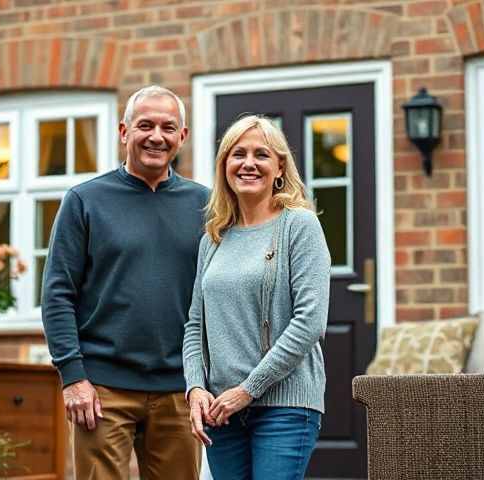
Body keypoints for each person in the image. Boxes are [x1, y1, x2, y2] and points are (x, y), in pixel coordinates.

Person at [42, 85, 209, 480]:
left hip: (180, 388)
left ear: (182, 137)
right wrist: (73, 376)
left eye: (168, 127)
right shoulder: (85, 200)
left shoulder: (205, 205)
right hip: (101, 389)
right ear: (124, 132)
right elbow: (57, 293)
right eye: (145, 125)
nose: (156, 136)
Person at [183, 115, 331, 479]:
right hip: (221, 410)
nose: (248, 163)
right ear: (225, 167)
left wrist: (248, 390)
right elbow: (194, 326)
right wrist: (195, 388)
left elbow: (309, 322)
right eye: (238, 154)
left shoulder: (299, 226)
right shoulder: (213, 240)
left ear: (279, 167)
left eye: (261, 154)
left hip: (284, 407)